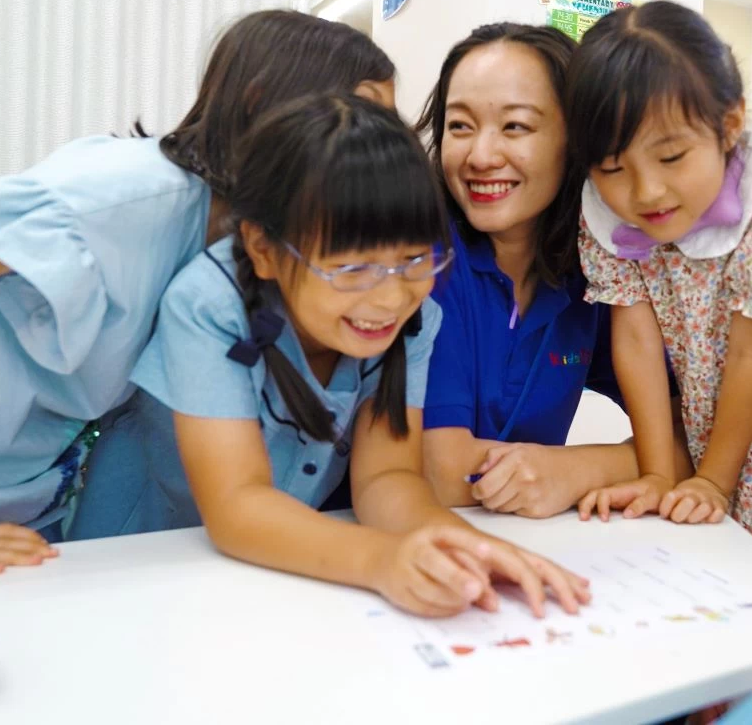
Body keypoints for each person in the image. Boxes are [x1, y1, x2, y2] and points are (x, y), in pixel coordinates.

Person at [0, 11, 396, 572]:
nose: (379, 151)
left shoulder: (248, 250)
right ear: (259, 102)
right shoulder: (126, 199)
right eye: (362, 115)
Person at [76, 94, 588, 617]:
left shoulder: (413, 316)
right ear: (264, 249)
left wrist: (465, 547)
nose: (389, 297)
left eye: (415, 258)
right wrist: (383, 560)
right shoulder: (209, 305)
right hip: (132, 561)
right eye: (349, 268)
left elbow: (387, 478)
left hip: (284, 565)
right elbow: (237, 506)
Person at [565, 1, 752, 545]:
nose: (646, 191)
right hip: (704, 422)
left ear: (729, 126)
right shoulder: (603, 210)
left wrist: (715, 482)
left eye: (671, 157)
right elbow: (636, 343)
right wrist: (657, 471)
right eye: (612, 168)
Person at [417, 22, 687, 520]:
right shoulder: (425, 258)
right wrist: (638, 463)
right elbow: (442, 469)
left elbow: (693, 432)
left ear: (576, 142)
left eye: (515, 126)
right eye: (459, 126)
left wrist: (577, 469)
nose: (480, 155)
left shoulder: (597, 274)